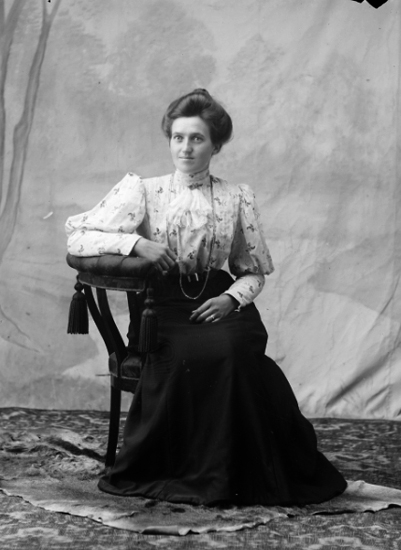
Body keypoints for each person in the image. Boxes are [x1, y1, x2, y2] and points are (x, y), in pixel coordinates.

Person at [65, 88, 346, 506]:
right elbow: (78, 235)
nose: (186, 147)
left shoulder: (237, 197)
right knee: (188, 357)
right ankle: (193, 471)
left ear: (215, 145)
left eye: (197, 138)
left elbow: (253, 271)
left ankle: (240, 471)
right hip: (161, 306)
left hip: (218, 299)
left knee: (235, 349)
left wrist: (231, 299)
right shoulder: (143, 191)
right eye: (178, 137)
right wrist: (135, 244)